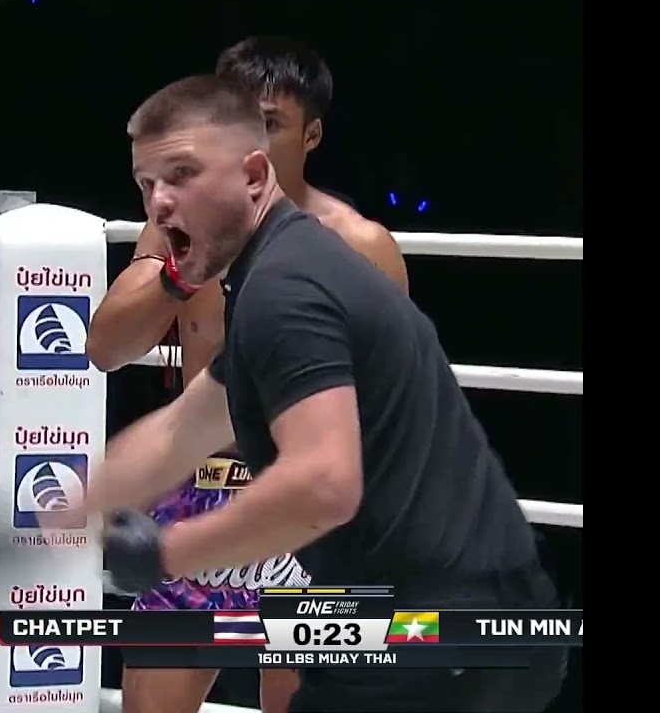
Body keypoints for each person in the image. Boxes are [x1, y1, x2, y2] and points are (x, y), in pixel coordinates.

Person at [84, 74, 567, 712]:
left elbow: (340, 465)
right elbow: (161, 395)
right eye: (148, 184)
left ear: (293, 145)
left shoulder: (319, 266)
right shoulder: (234, 255)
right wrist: (79, 507)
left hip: (376, 574)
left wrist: (166, 552)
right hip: (230, 500)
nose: (161, 201)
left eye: (270, 123)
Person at [85, 37, 408, 713]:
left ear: (311, 135)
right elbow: (106, 347)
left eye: (268, 123)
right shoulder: (175, 228)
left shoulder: (359, 245)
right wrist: (180, 273)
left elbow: (396, 407)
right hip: (194, 498)